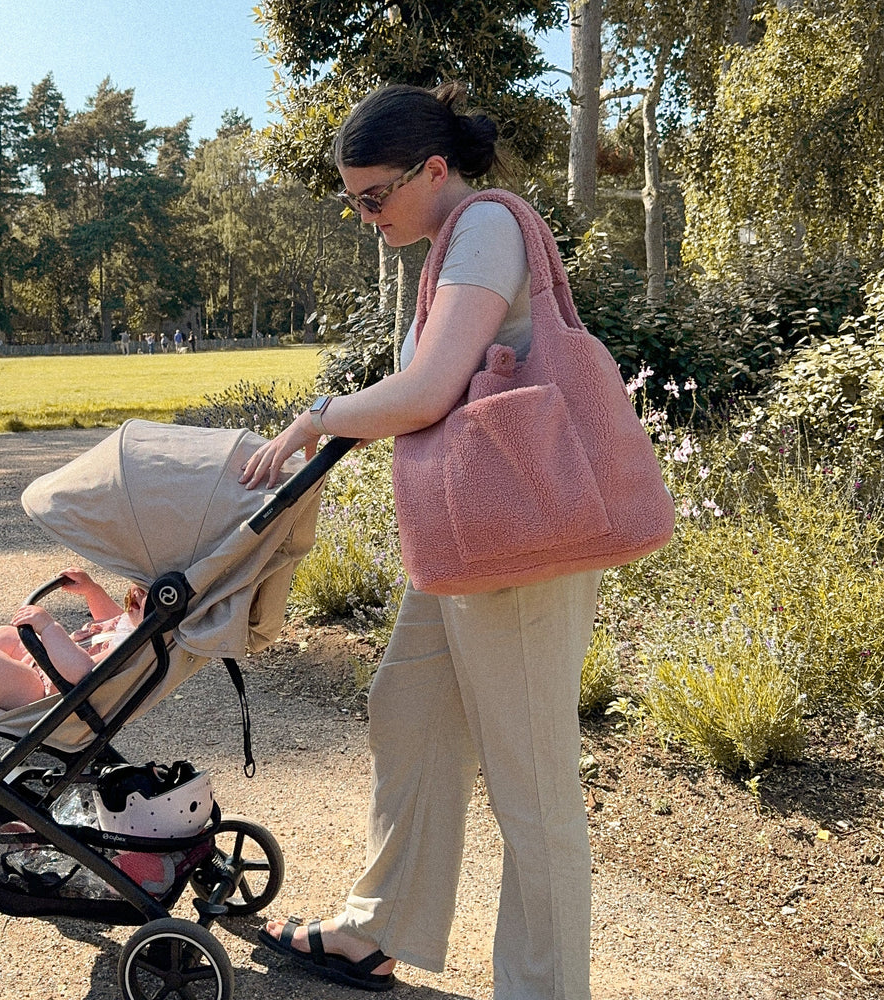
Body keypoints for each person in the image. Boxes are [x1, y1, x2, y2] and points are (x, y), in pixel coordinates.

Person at [241, 83, 602, 999]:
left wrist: (317, 417)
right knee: (409, 710)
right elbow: (432, 395)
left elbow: (431, 390)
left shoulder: (485, 228)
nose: (367, 219)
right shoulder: (449, 247)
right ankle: (378, 928)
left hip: (518, 550)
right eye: (354, 202)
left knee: (533, 792)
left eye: (375, 197)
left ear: (433, 169)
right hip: (465, 542)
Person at [0, 568, 146, 711]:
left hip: (44, 693)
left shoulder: (130, 647)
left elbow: (82, 672)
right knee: (6, 635)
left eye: (145, 595)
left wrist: (49, 627)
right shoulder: (133, 625)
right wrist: (92, 590)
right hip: (43, 668)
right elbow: (111, 619)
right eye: (138, 586)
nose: (135, 592)